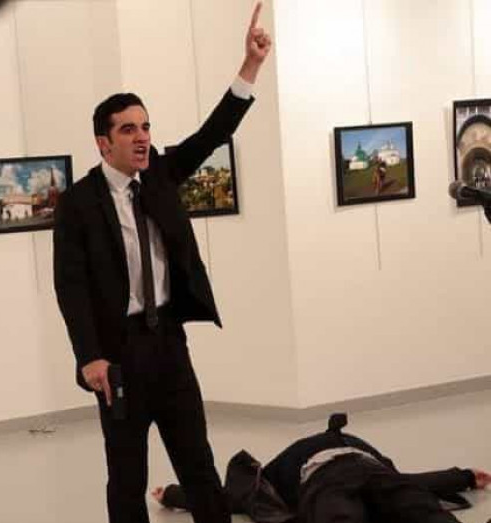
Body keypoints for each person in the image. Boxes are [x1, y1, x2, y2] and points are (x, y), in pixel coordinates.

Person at [52, 3, 271, 522]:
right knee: (127, 477)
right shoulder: (79, 203)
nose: (142, 136)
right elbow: (70, 285)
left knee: (199, 467)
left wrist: (250, 65)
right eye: (129, 129)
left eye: (146, 126)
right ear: (103, 142)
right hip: (118, 355)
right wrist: (89, 357)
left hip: (169, 343)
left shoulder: (161, 176)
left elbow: (213, 134)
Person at [152, 414, 491, 523]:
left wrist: (463, 477)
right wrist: (175, 494)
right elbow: (231, 498)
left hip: (366, 471)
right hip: (326, 476)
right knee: (404, 502)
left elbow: (234, 497)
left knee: (414, 502)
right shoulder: (291, 461)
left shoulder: (293, 458)